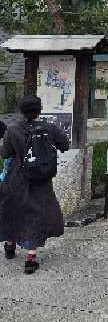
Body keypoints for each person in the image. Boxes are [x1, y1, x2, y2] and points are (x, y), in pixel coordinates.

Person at [0, 95, 69, 274]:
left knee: (13, 209)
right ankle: (31, 258)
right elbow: (65, 145)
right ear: (39, 110)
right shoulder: (49, 127)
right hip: (41, 179)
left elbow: (5, 153)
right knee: (37, 214)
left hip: (17, 177)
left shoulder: (13, 129)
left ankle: (9, 245)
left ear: (22, 111)